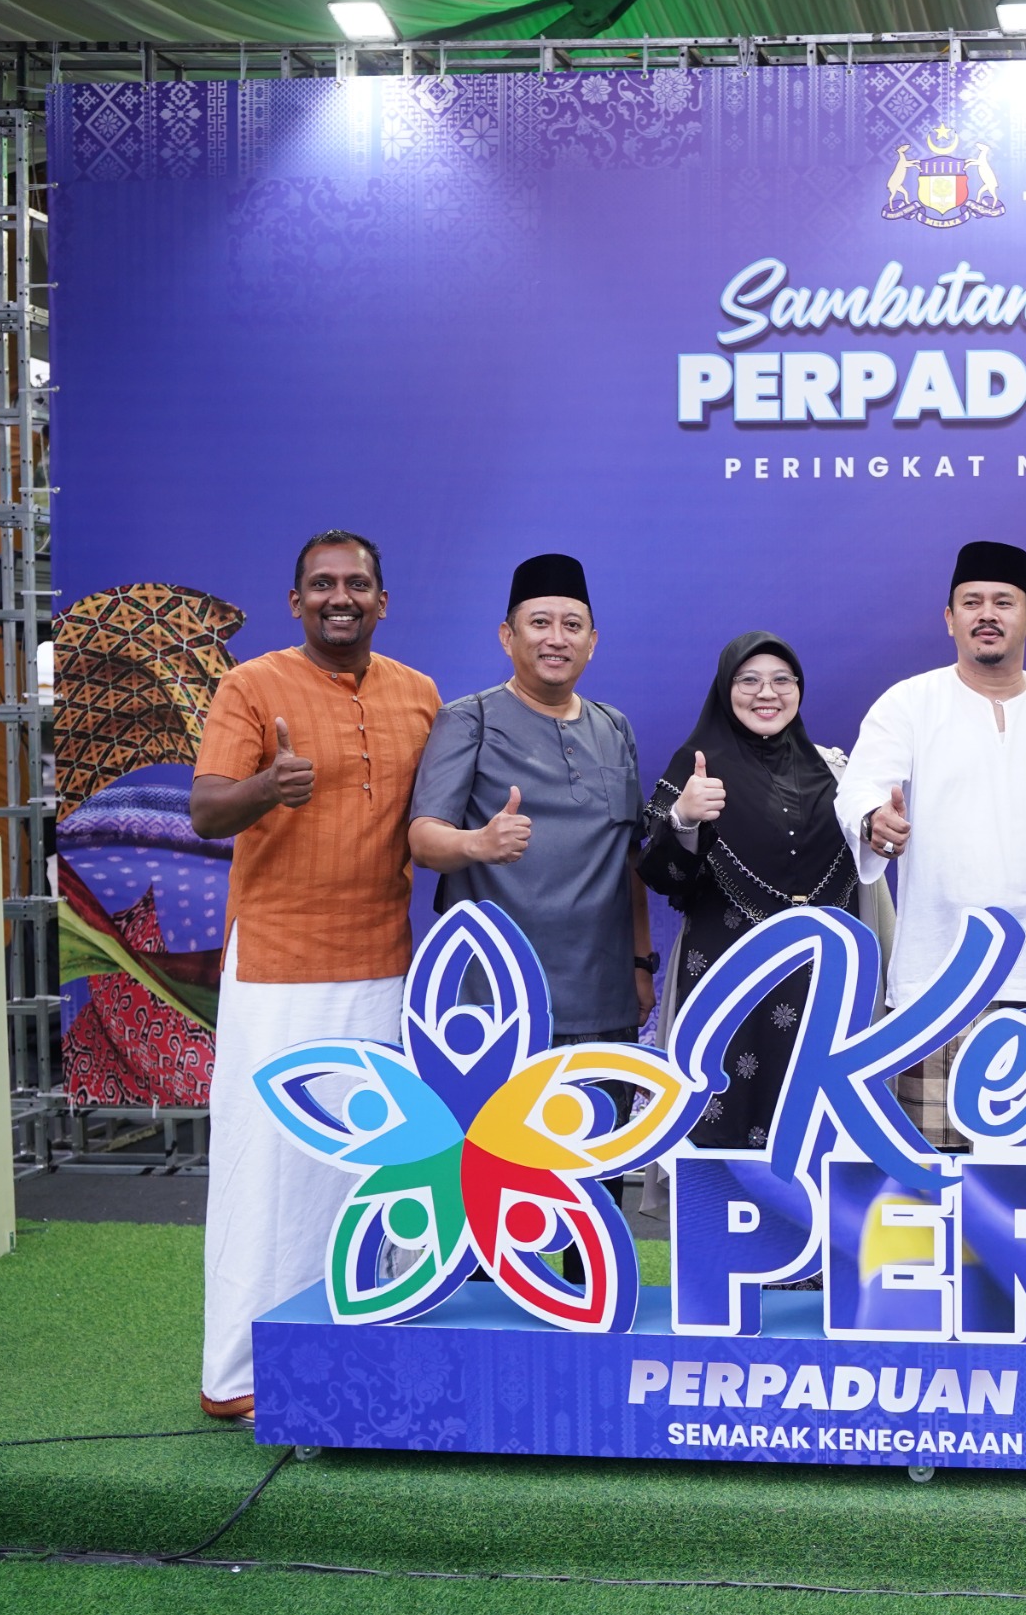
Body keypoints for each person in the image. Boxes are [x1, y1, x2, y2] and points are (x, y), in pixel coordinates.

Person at [189, 530, 439, 1422]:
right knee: (266, 1175)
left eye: (358, 584)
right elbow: (206, 809)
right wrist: (269, 787)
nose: (341, 597)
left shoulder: (420, 695)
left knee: (378, 1172)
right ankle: (239, 1375)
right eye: (323, 584)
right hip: (278, 971)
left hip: (384, 968)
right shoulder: (251, 686)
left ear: (382, 601)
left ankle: (362, 1346)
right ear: (296, 602)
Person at [835, 541, 1026, 1146]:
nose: (987, 614)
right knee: (935, 1168)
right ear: (950, 619)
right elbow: (862, 787)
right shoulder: (910, 702)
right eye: (971, 602)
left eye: (1004, 601)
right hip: (938, 979)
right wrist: (874, 820)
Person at [409, 553, 654, 1043]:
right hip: (497, 1001)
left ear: (592, 643)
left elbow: (630, 858)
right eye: (540, 623)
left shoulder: (614, 727)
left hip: (604, 998)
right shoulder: (469, 720)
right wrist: (477, 843)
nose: (557, 638)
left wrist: (641, 963)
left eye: (572, 625)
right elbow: (423, 839)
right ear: (508, 636)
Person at [639, 631, 863, 1152]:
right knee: (725, 1123)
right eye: (749, 680)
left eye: (782, 680)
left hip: (818, 981)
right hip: (727, 983)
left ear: (799, 689)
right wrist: (684, 818)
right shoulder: (695, 768)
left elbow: (860, 874)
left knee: (813, 1131)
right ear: (725, 688)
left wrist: (879, 832)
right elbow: (662, 875)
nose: (767, 693)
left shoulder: (834, 773)